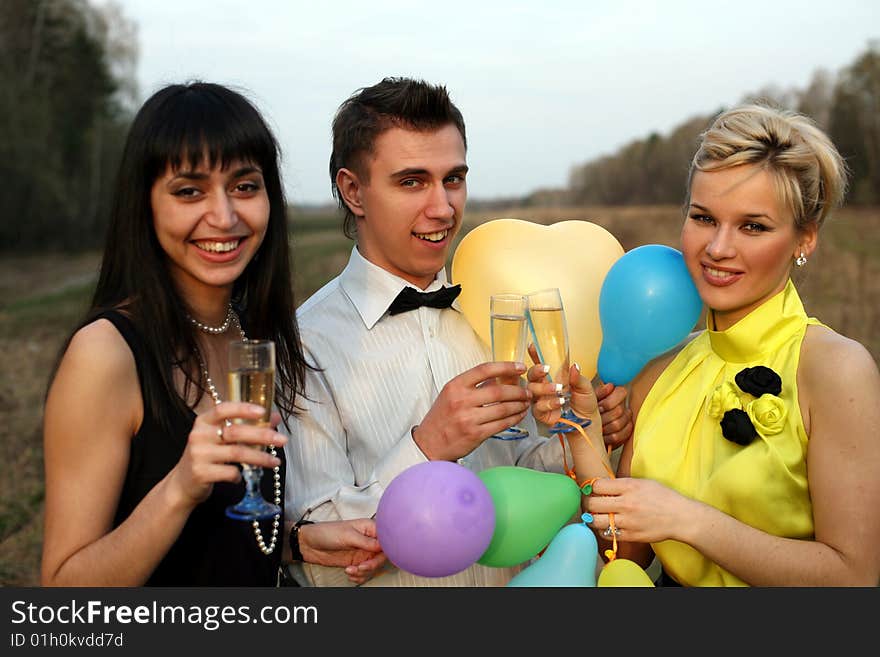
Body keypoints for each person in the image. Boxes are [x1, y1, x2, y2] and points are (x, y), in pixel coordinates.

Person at [284, 76, 631, 587]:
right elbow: (320, 568)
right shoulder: (304, 345)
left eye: (453, 178)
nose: (444, 208)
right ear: (353, 190)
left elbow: (532, 484)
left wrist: (576, 432)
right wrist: (427, 447)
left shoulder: (498, 312)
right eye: (412, 181)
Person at [41, 81, 384, 586]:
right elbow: (62, 592)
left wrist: (294, 540)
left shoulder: (252, 336)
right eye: (189, 191)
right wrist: (179, 487)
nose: (224, 217)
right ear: (145, 205)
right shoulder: (106, 354)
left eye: (245, 186)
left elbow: (212, 542)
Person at [529, 103, 880, 586]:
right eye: (704, 218)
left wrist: (690, 521)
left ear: (806, 239)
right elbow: (626, 550)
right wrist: (581, 431)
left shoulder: (835, 369)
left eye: (753, 226)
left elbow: (856, 578)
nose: (718, 248)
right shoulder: (661, 368)